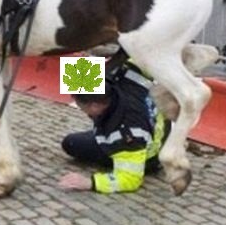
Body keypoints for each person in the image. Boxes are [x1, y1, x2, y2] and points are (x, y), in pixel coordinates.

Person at [58, 60, 175, 193]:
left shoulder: (124, 133)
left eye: (81, 107)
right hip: (161, 129)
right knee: (81, 75)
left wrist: (90, 183)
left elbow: (129, 179)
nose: (82, 111)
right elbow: (139, 56)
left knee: (71, 143)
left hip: (149, 155)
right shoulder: (128, 75)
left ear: (94, 106)